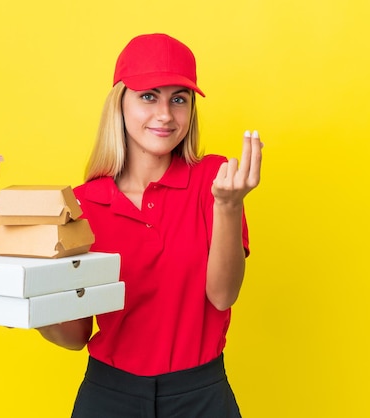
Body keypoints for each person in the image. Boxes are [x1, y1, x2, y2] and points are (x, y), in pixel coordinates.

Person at [37, 33, 263, 418]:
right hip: (108, 396)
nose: (165, 114)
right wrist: (28, 306)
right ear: (119, 103)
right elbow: (75, 337)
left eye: (179, 99)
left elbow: (222, 296)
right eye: (148, 96)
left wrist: (228, 207)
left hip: (201, 396)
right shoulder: (82, 204)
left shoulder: (215, 181)